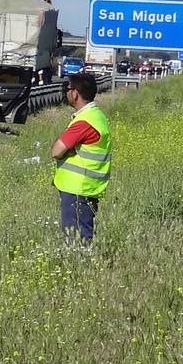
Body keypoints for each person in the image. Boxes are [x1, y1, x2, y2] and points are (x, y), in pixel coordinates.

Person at [51, 71, 112, 244]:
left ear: (75, 93)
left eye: (68, 89)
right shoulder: (97, 116)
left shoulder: (84, 121)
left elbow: (56, 151)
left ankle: (81, 259)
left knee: (77, 237)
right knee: (82, 231)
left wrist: (67, 149)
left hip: (77, 187)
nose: (66, 93)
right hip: (87, 186)